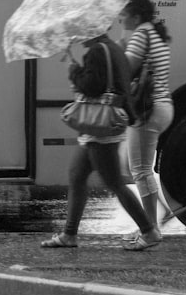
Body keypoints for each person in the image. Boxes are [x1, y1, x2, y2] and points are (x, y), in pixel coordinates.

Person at [41, 34, 161, 251]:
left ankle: (149, 231)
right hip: (100, 125)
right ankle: (69, 234)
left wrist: (74, 71)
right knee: (77, 175)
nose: (77, 36)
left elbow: (92, 86)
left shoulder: (97, 51)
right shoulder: (113, 47)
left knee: (114, 182)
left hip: (101, 128)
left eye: (81, 31)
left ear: (93, 30)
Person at [120, 0, 184, 234]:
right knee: (132, 166)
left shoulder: (140, 35)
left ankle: (150, 229)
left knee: (140, 171)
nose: (120, 18)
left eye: (124, 14)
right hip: (162, 106)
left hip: (147, 109)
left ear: (136, 16)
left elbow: (124, 71)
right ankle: (162, 213)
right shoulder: (154, 32)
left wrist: (120, 48)